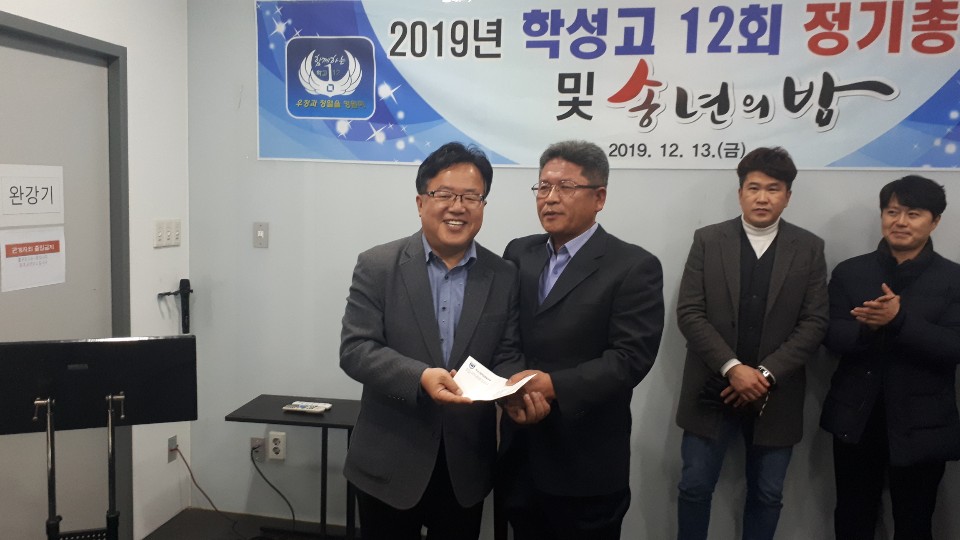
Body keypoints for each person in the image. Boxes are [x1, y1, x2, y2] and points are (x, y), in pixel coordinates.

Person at [339, 142, 547, 540]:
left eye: (471, 197)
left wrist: (513, 389)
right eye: (445, 194)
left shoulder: (503, 274)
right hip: (388, 460)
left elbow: (505, 353)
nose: (458, 207)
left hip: (465, 465)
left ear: (483, 205)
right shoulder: (378, 265)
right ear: (421, 203)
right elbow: (356, 350)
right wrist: (420, 377)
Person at [498, 140, 665, 540]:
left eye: (566, 187)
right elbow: (505, 332)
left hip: (585, 463)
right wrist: (514, 387)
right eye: (543, 186)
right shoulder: (519, 253)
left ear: (599, 197)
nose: (550, 198)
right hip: (522, 451)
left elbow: (629, 359)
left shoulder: (633, 266)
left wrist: (552, 386)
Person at [674, 146, 828, 540]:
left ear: (787, 196)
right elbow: (689, 312)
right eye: (754, 188)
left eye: (773, 189)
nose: (762, 198)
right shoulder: (708, 240)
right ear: (740, 192)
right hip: (711, 387)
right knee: (694, 487)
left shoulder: (809, 248)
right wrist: (733, 368)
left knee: (768, 494)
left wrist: (764, 374)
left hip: (777, 393)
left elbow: (814, 322)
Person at [820, 175, 960, 540]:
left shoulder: (953, 278)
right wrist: (868, 329)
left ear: (935, 221)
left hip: (923, 424)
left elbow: (954, 346)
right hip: (857, 419)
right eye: (892, 211)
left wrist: (899, 321)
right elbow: (829, 335)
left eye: (913, 213)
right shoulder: (851, 271)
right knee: (852, 518)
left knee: (915, 523)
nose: (900, 221)